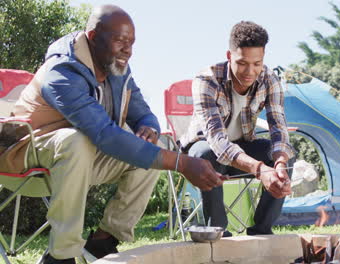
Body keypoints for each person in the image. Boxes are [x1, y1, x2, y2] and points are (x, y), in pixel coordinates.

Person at [4, 5, 222, 264]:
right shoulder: (61, 71)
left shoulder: (117, 68)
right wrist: (181, 162)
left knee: (153, 149)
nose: (128, 50)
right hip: (24, 156)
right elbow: (104, 135)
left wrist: (149, 128)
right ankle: (60, 256)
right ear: (94, 37)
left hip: (79, 158)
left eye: (131, 43)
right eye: (120, 41)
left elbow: (143, 112)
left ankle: (102, 242)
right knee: (76, 141)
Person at [180, 21, 295, 237]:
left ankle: (261, 232)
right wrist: (261, 170)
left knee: (285, 155)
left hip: (243, 151)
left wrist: (279, 164)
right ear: (229, 55)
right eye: (242, 63)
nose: (250, 72)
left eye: (257, 63)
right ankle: (219, 232)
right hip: (204, 155)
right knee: (206, 154)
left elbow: (279, 129)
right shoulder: (206, 80)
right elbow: (218, 143)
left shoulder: (270, 80)